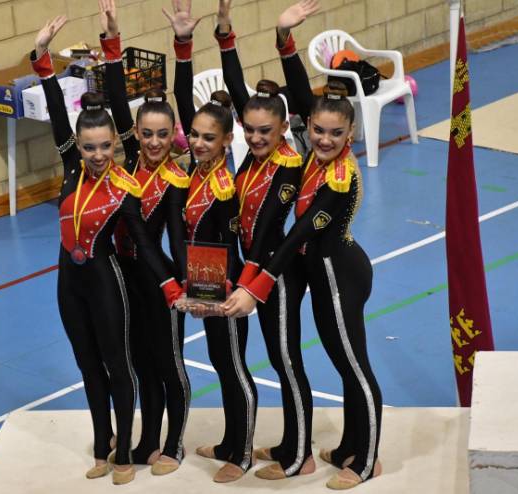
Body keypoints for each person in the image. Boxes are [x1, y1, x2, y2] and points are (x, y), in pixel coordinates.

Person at [31, 15, 183, 485]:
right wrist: (42, 56)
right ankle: (102, 447)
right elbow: (57, 109)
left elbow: (144, 243)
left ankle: (124, 456)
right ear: (77, 146)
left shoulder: (124, 187)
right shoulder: (71, 169)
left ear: (117, 142)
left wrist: (172, 285)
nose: (97, 155)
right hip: (68, 282)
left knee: (119, 366)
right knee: (87, 365)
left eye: (104, 146)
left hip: (105, 281)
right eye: (88, 147)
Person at [222, 80, 384, 490]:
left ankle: (367, 461)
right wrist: (282, 45)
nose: (325, 139)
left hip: (339, 276)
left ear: (350, 133)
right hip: (322, 274)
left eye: (336, 133)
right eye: (318, 130)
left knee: (354, 368)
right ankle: (349, 447)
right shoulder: (314, 156)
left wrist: (256, 286)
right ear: (307, 124)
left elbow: (297, 235)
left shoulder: (339, 176)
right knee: (340, 363)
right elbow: (290, 91)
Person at [211, 0, 321, 480]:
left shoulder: (288, 166)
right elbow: (237, 89)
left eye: (265, 132)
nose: (255, 138)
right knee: (279, 358)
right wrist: (225, 33)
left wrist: (249, 284)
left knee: (285, 359)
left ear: (283, 128)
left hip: (279, 271)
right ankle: (287, 444)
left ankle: (300, 456)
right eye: (250, 130)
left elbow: (268, 233)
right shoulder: (255, 157)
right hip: (256, 268)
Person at [164, 0, 258, 483]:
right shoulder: (193, 171)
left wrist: (226, 36)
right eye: (195, 135)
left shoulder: (226, 183)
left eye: (209, 138)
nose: (199, 142)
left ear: (226, 142)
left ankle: (242, 454)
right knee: (221, 363)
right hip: (202, 283)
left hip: (226, 286)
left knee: (234, 365)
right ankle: (228, 441)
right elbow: (183, 96)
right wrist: (183, 43)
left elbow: (225, 248)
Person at [97, 0, 192, 476]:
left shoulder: (176, 180)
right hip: (126, 277)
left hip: (160, 279)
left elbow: (175, 239)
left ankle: (174, 443)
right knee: (141, 362)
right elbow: (118, 98)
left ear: (174, 135)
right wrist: (112, 41)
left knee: (169, 362)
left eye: (162, 135)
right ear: (135, 133)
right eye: (147, 134)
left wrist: (181, 284)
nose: (154, 143)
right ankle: (148, 439)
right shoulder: (131, 160)